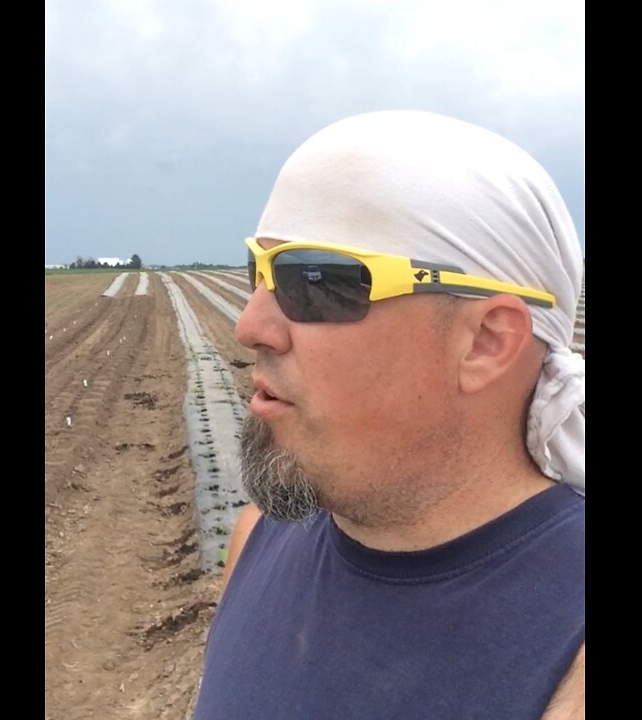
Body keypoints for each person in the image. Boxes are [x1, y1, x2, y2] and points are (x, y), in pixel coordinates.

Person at [195, 110, 585, 720]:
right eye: (258, 272)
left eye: (312, 281)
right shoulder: (258, 540)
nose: (251, 327)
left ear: (486, 342)